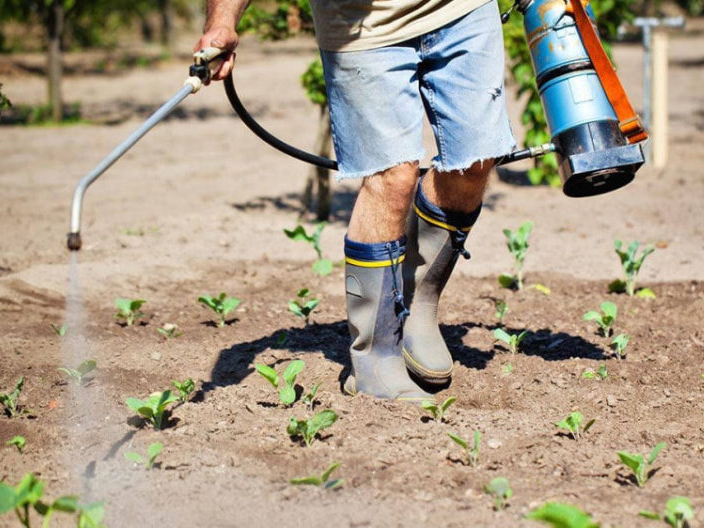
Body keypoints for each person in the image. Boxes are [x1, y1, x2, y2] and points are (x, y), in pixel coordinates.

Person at [195, 0, 517, 401]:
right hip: (362, 27)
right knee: (392, 177)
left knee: (475, 160)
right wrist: (223, 20)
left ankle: (414, 301)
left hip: (464, 10)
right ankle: (375, 359)